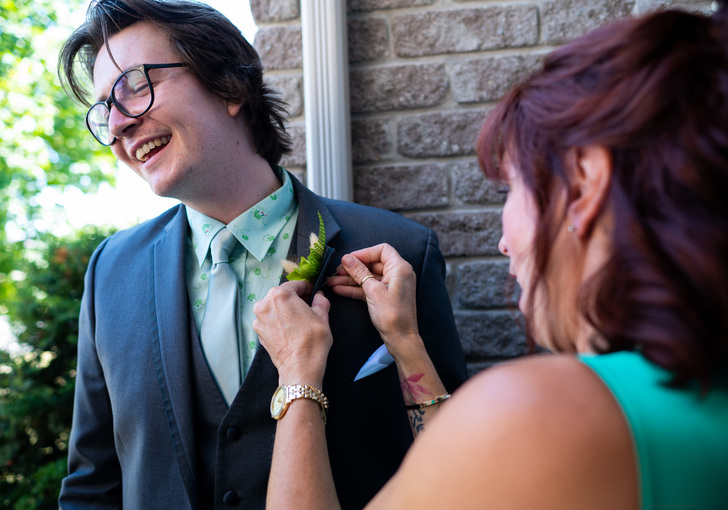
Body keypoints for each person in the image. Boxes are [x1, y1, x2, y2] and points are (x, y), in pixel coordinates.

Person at [254, 5, 728, 509]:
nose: (504, 242)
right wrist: (406, 342)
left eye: (512, 187)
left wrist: (298, 378)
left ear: (584, 186)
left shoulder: (540, 417)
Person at [56, 0, 467, 508]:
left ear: (229, 84)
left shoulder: (399, 250)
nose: (117, 124)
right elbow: (93, 484)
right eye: (103, 110)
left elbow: (453, 458)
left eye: (135, 87)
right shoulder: (110, 274)